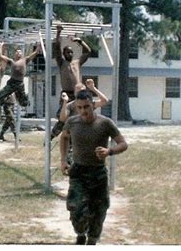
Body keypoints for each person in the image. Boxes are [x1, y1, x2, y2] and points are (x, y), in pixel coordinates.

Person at [60, 90, 127, 245]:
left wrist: (109, 151)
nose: (83, 111)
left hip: (98, 173)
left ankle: (92, 240)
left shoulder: (105, 123)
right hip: (78, 171)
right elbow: (64, 137)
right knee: (75, 208)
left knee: (99, 210)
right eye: (80, 107)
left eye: (87, 107)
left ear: (93, 105)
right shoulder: (72, 122)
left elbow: (123, 144)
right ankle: (80, 233)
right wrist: (63, 160)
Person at [54, 25, 91, 102]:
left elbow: (87, 52)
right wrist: (58, 32)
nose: (70, 54)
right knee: (63, 112)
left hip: (77, 93)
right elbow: (57, 48)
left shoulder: (77, 62)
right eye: (68, 52)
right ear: (64, 54)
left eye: (71, 52)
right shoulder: (61, 62)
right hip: (66, 93)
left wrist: (80, 41)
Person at [0, 42, 41, 107]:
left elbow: (35, 52)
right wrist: (1, 45)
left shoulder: (25, 60)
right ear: (15, 54)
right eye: (17, 52)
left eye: (19, 52)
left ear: (22, 54)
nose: (18, 53)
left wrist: (39, 45)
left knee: (24, 103)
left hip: (19, 83)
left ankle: (25, 100)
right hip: (12, 82)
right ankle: (6, 102)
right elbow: (0, 55)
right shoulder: (11, 61)